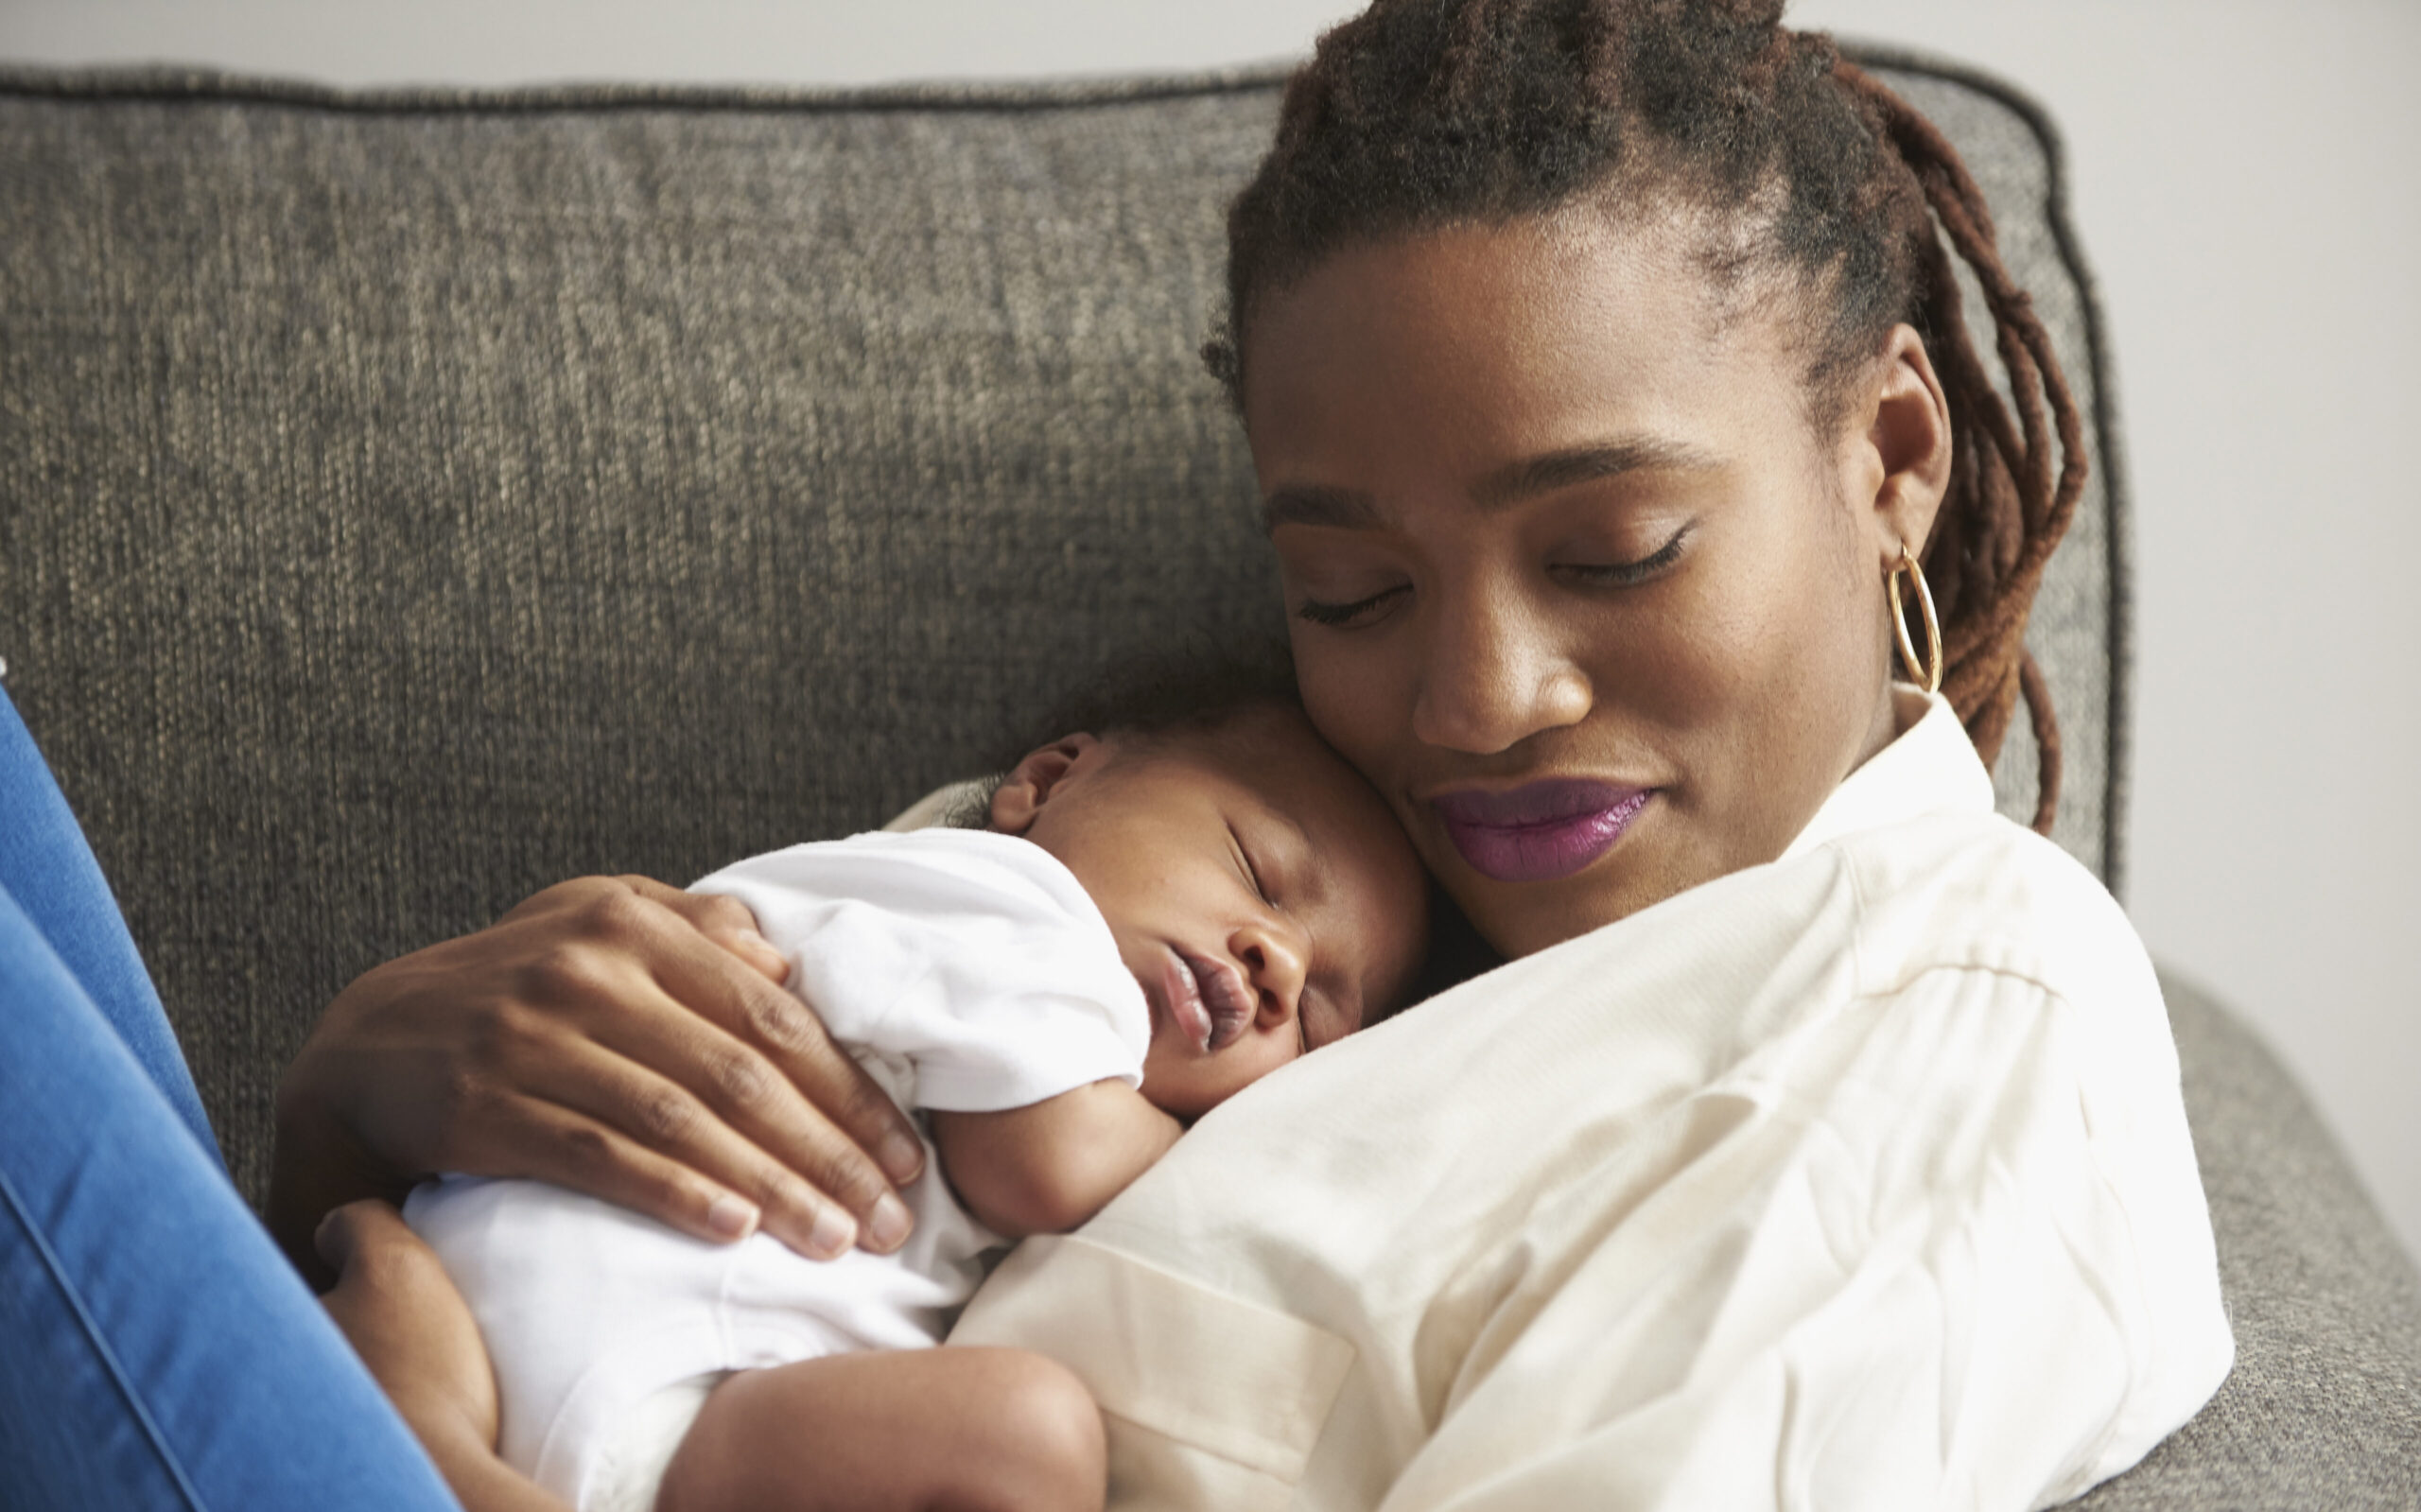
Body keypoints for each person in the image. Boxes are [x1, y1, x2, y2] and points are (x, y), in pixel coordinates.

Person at [1, 2, 2233, 1508]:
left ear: (1890, 464)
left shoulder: (1935, 1007)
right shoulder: (1262, 870)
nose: (1467, 699)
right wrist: (363, 1093)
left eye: (1617, 545)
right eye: (1348, 592)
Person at [395, 688, 1428, 1512]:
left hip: (521, 1311)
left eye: (1319, 1024)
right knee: (1029, 1433)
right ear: (1049, 780)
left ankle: (427, 1443)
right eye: (1257, 867)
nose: (1278, 959)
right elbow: (1043, 1166)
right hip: (617, 1349)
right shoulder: (1011, 903)